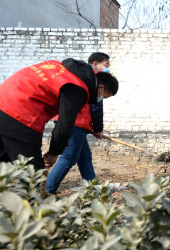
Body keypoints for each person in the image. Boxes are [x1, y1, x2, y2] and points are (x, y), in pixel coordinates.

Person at [0, 58, 118, 172]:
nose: (100, 100)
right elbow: (64, 126)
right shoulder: (77, 86)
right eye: (104, 97)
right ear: (101, 87)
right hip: (20, 115)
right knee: (32, 174)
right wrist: (54, 153)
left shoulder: (60, 68)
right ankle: (32, 209)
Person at [44, 53, 118, 195]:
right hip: (76, 122)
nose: (108, 68)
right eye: (106, 65)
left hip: (74, 121)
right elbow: (96, 107)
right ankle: (47, 191)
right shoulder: (97, 82)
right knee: (68, 158)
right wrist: (98, 129)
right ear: (95, 64)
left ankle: (93, 190)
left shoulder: (82, 75)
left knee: (84, 158)